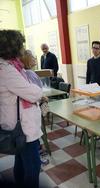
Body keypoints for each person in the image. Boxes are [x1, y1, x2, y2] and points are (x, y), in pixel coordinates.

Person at [0, 30, 43, 188]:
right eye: (21, 44)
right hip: (23, 128)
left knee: (21, 162)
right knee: (33, 166)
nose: (23, 48)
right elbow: (34, 93)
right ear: (12, 47)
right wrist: (35, 90)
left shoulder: (13, 67)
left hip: (19, 127)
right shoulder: (7, 70)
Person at [20, 50, 50, 166]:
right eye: (32, 56)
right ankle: (37, 160)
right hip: (31, 114)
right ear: (27, 59)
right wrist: (42, 98)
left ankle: (37, 158)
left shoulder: (24, 73)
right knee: (34, 140)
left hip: (29, 114)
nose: (35, 59)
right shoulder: (29, 73)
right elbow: (35, 93)